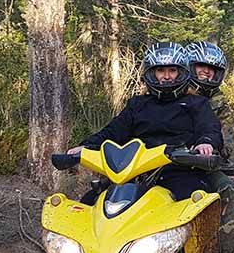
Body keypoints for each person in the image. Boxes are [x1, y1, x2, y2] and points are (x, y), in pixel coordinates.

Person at [67, 41, 222, 202]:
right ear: (150, 72)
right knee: (89, 202)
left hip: (181, 171)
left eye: (172, 70)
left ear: (182, 72)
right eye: (160, 70)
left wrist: (206, 142)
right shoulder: (137, 104)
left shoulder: (196, 103)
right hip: (135, 173)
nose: (167, 76)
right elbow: (113, 132)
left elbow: (209, 128)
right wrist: (86, 146)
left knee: (196, 201)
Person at [184, 41, 234, 253]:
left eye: (211, 69)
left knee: (231, 193)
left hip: (203, 164)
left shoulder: (219, 102)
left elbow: (226, 138)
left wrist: (211, 146)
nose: (206, 72)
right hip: (157, 161)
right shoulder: (168, 92)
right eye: (201, 66)